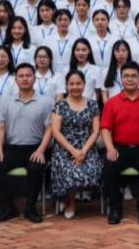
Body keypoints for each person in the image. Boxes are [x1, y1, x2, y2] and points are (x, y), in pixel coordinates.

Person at [0, 63, 54, 223]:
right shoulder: (6, 100)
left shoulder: (46, 101)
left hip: (36, 147)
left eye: (28, 76)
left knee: (36, 167)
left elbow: (50, 129)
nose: (25, 79)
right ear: (16, 80)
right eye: (21, 76)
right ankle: (8, 208)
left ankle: (30, 209)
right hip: (12, 148)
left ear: (34, 78)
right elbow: (0, 127)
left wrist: (41, 150)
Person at [101, 61, 139, 226]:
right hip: (120, 148)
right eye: (126, 76)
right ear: (121, 79)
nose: (130, 79)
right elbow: (105, 128)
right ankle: (115, 208)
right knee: (109, 165)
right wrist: (110, 148)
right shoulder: (112, 102)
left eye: (133, 76)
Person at [50, 70, 103, 219]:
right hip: (64, 148)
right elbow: (56, 131)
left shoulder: (92, 104)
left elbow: (96, 131)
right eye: (71, 84)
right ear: (66, 86)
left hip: (87, 147)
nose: (75, 87)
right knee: (70, 171)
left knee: (93, 170)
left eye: (78, 83)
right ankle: (70, 203)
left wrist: (83, 151)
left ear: (84, 85)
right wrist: (74, 151)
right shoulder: (60, 105)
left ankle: (66, 198)